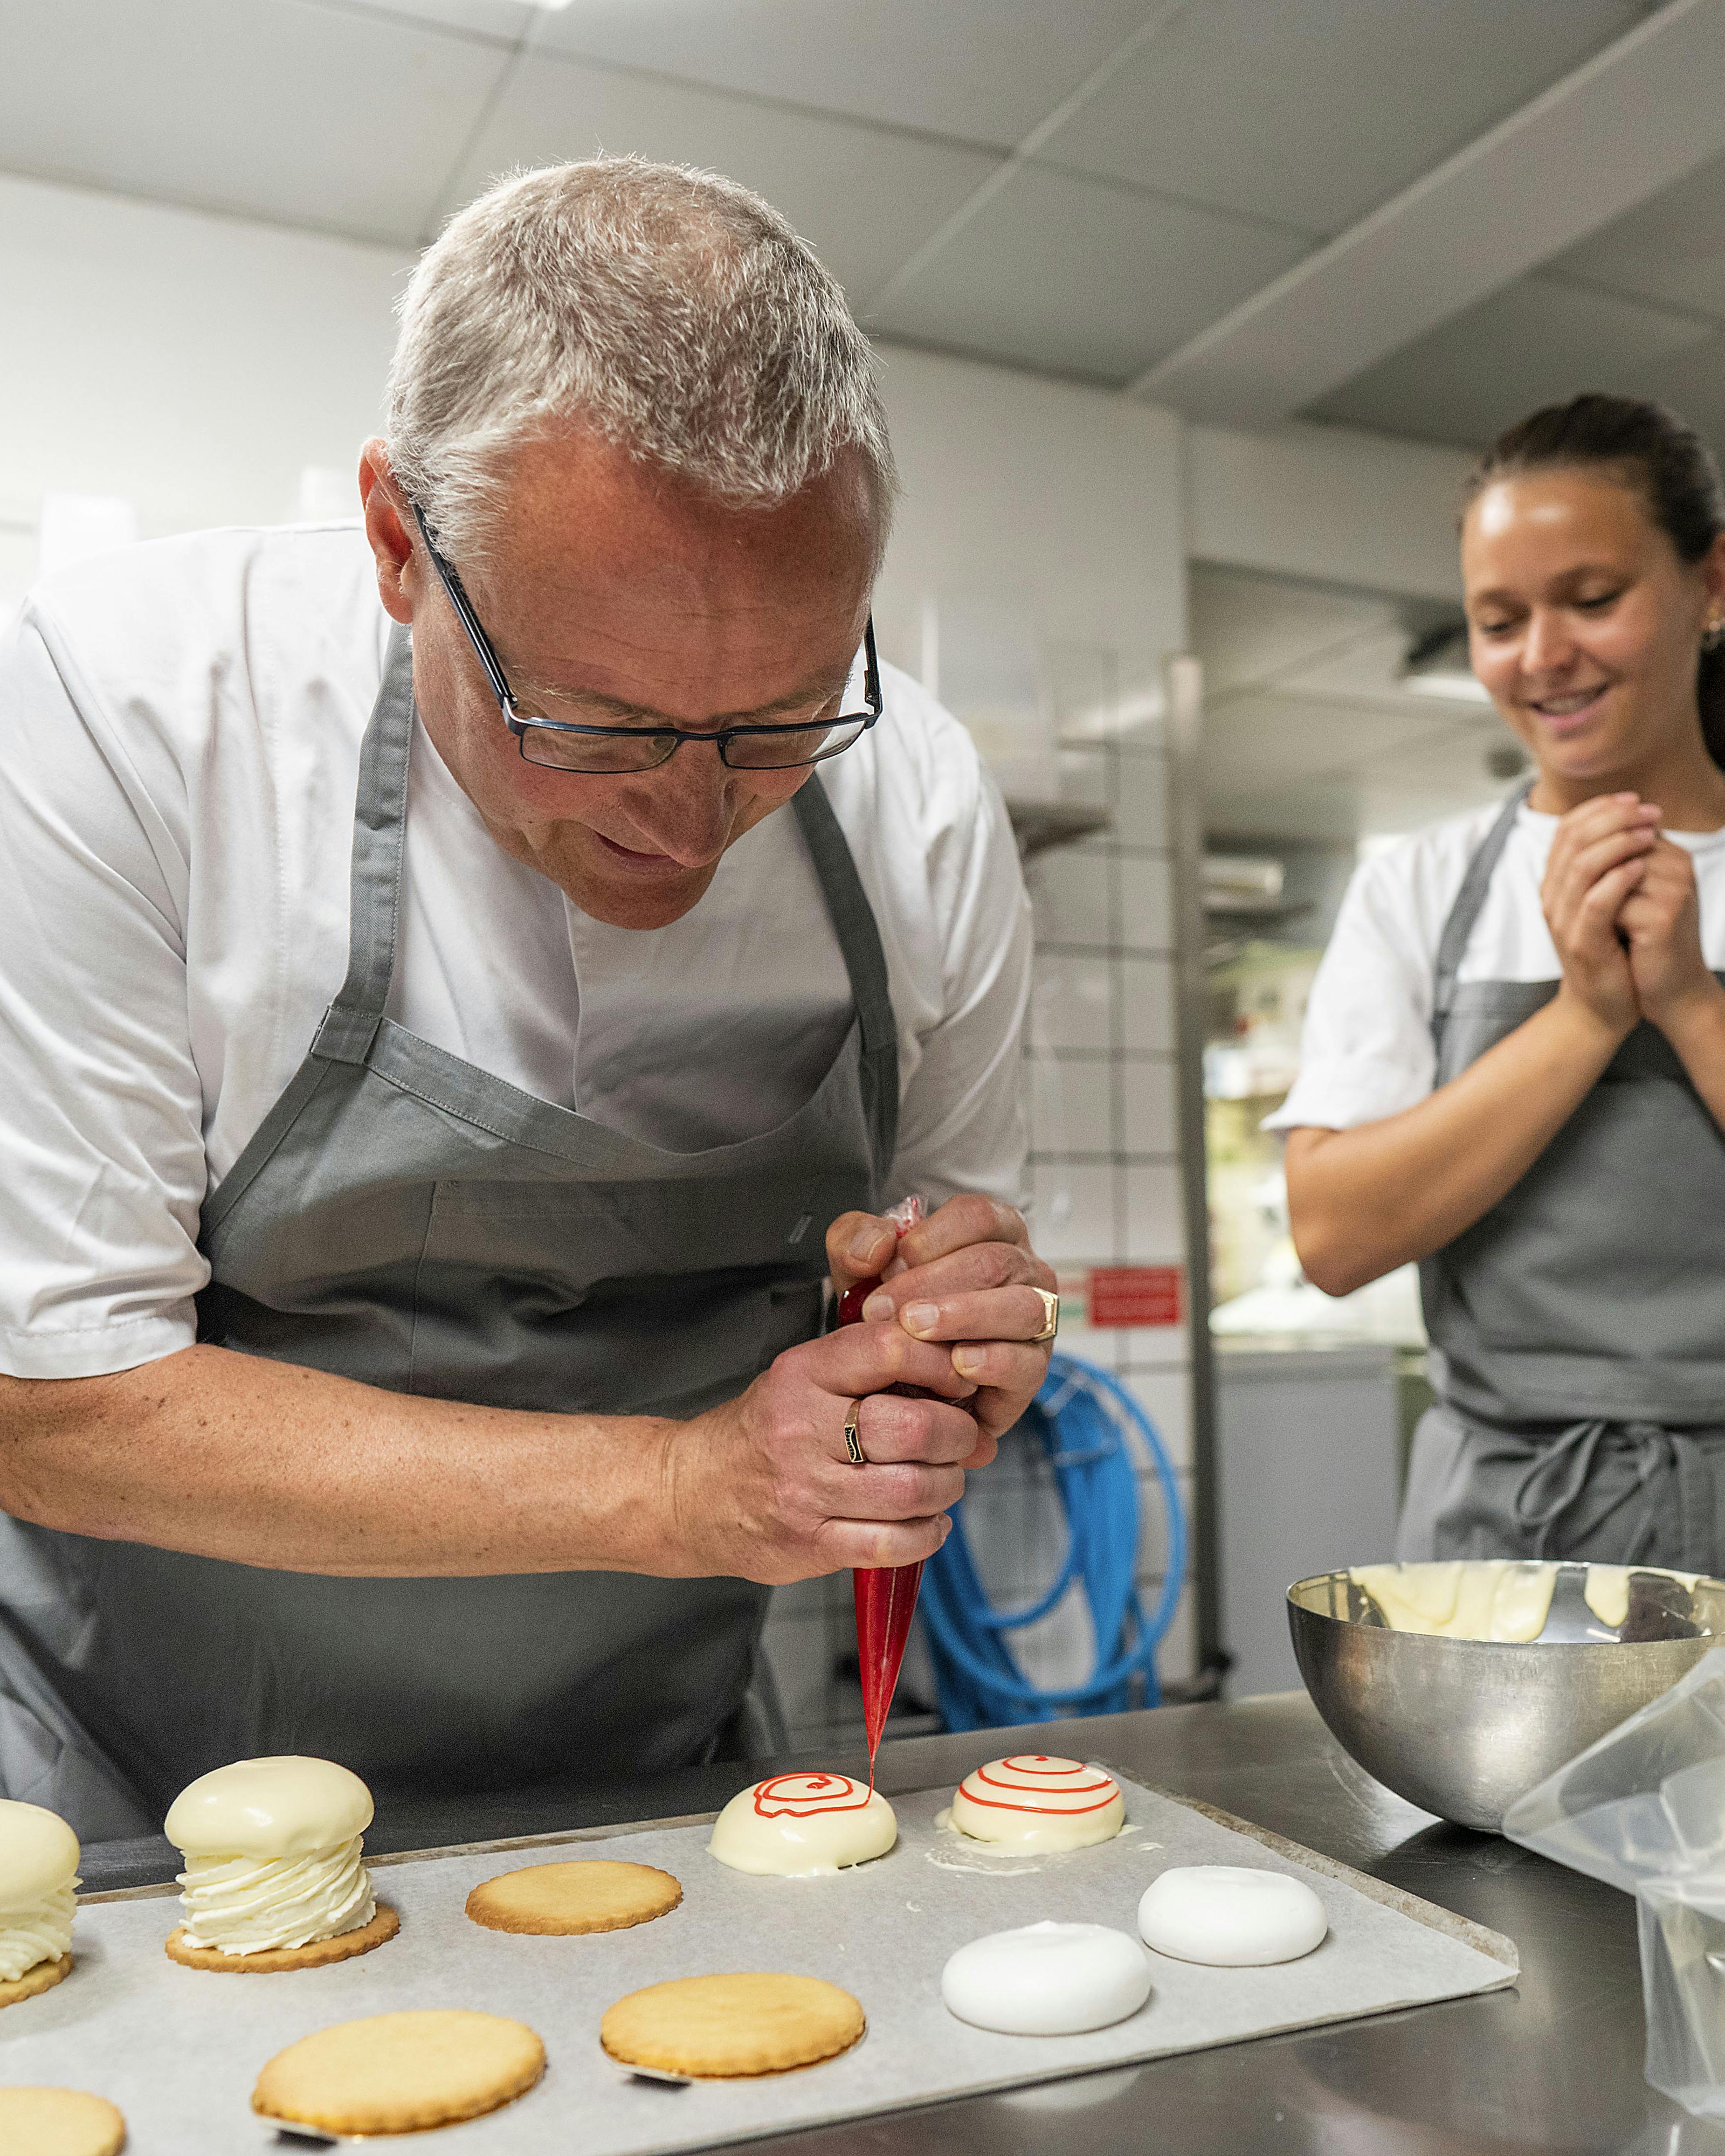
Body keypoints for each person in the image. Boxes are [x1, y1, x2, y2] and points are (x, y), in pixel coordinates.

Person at [0, 157, 1058, 1839]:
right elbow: (57, 1408)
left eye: (783, 719)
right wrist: (680, 1484)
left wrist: (952, 1346)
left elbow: (958, 1288)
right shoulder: (127, 711)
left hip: (674, 1798)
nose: (692, 819)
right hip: (149, 1815)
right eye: (599, 724)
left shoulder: (918, 797)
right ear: (398, 544)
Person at [1278, 393, 1725, 1568]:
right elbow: (1332, 1235)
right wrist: (1587, 1015)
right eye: (1498, 619)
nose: (1542, 655)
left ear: (1712, 583)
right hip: (1513, 1538)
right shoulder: (1417, 888)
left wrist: (1689, 1000)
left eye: (1592, 599)